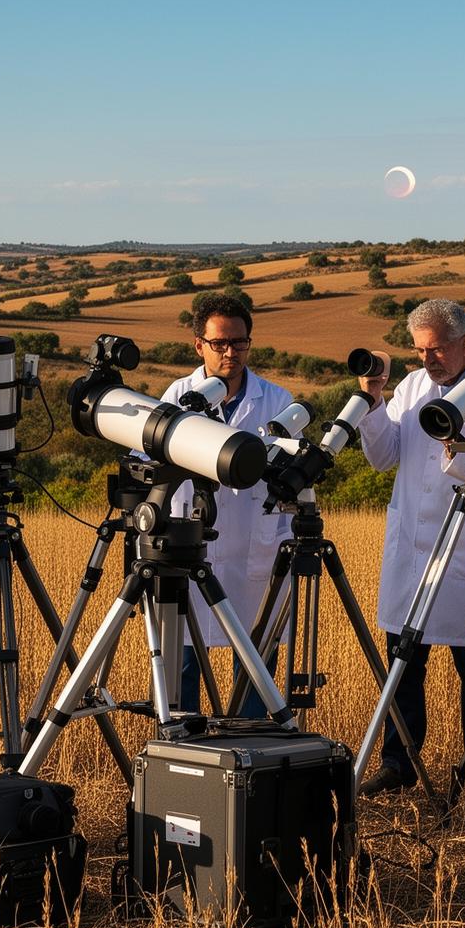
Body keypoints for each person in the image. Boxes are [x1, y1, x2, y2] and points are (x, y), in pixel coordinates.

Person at [356, 299, 465, 798]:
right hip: (411, 548)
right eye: (419, 350)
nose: (427, 359)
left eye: (436, 349)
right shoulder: (411, 386)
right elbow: (384, 457)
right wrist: (372, 403)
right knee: (402, 664)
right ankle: (398, 763)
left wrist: (457, 443)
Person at [159, 292, 294, 717]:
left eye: (239, 342)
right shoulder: (177, 395)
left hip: (255, 554)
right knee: (181, 666)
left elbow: (290, 475)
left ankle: (251, 759)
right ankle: (187, 761)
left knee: (255, 668)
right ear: (198, 344)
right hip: (191, 546)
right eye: (219, 343)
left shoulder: (276, 400)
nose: (230, 352)